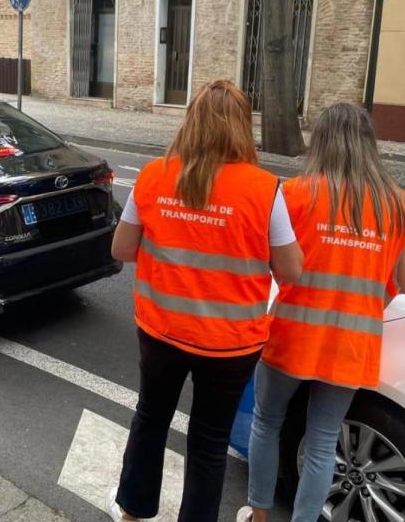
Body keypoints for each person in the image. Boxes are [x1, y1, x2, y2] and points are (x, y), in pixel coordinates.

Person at [108, 80, 303, 522]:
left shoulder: (154, 174)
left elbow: (121, 249)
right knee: (209, 441)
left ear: (190, 122)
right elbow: (290, 272)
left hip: (161, 331)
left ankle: (133, 512)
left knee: (151, 418)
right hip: (231, 343)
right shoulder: (264, 189)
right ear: (241, 128)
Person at [237, 103, 405, 522]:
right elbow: (402, 281)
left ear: (319, 142)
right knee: (322, 442)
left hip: (292, 336)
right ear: (369, 145)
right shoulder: (401, 206)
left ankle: (259, 514)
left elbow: (274, 263)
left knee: (268, 422)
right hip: (352, 345)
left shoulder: (296, 195)